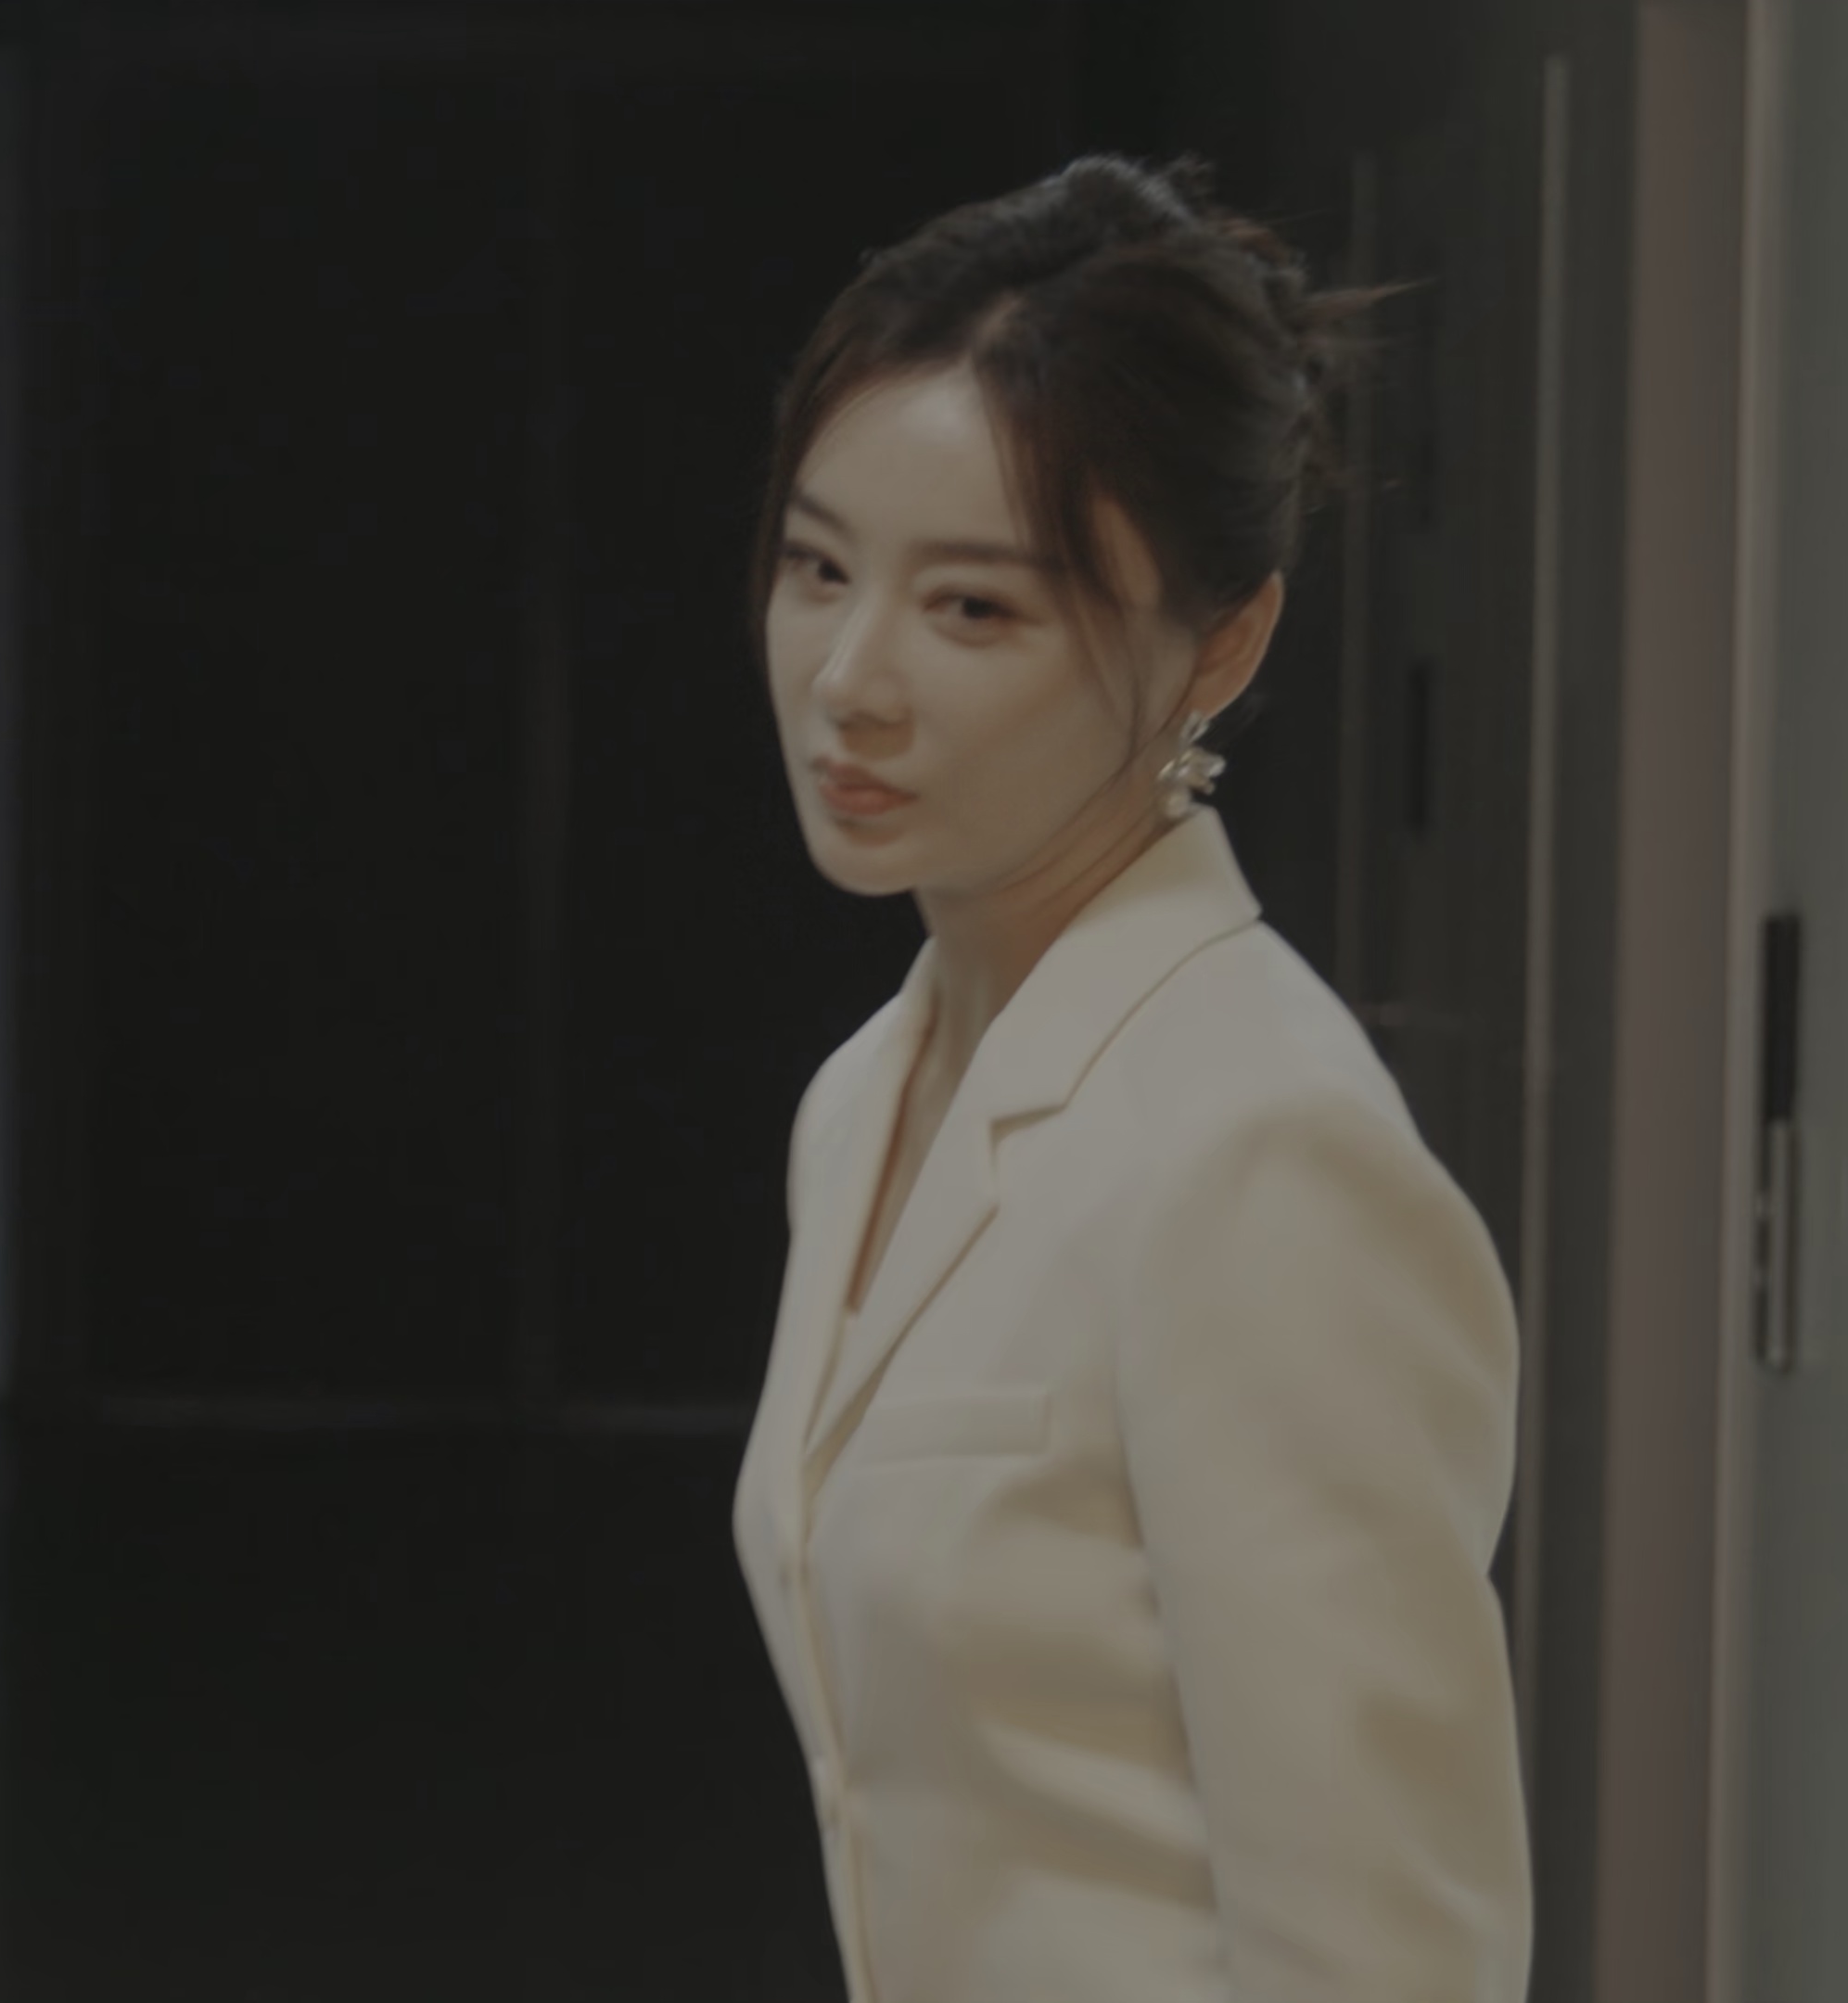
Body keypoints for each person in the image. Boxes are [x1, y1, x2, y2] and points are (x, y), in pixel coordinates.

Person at [728, 154, 1532, 2003]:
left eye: (975, 609)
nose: (850, 679)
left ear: (1221, 644)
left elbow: (1387, 1957)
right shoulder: (864, 1100)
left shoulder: (1261, 1152)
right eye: (818, 567)